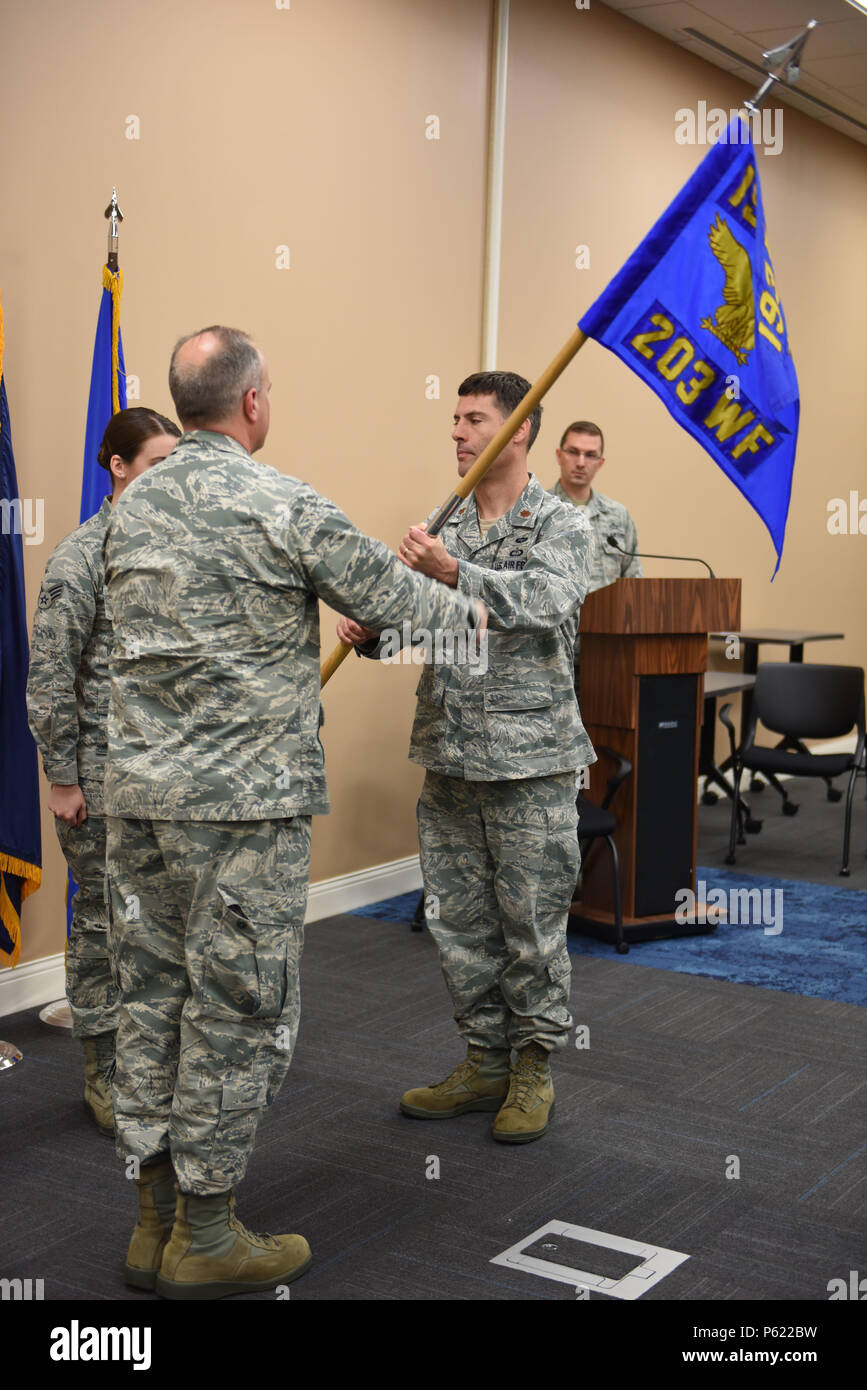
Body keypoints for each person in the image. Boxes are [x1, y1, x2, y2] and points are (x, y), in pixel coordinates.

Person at [103, 325, 486, 1300]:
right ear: (254, 403)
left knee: (152, 1004)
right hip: (241, 814)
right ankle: (210, 1233)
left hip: (136, 807)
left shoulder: (124, 510)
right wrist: (444, 591)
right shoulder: (281, 502)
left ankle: (151, 1224)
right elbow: (422, 612)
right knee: (238, 1011)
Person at [338, 371, 596, 1145]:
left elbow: (544, 605)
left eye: (473, 419)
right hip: (449, 755)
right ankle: (483, 1058)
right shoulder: (440, 523)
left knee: (531, 924)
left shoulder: (559, 523)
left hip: (531, 760)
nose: (455, 432)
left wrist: (454, 574)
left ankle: (532, 1069)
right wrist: (377, 627)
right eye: (453, 418)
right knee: (459, 922)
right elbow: (431, 628)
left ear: (517, 431)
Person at [27, 408, 181, 1135]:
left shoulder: (174, 552)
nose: (167, 480)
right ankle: (101, 1065)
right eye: (155, 465)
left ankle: (151, 1060)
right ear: (118, 467)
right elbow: (52, 675)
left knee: (158, 924)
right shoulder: (81, 558)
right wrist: (62, 777)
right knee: (100, 923)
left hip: (168, 774)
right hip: (98, 777)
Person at [550, 421, 642, 592]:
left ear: (601, 463)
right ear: (559, 455)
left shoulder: (617, 515)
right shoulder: (541, 510)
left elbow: (633, 582)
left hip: (607, 616)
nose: (580, 463)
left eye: (591, 455)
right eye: (573, 452)